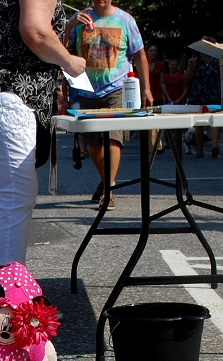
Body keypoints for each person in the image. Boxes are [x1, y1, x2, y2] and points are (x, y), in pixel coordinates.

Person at [0, 0, 86, 270]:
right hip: (10, 88)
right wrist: (70, 62)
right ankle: (9, 288)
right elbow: (36, 31)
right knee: (17, 191)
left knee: (3, 190)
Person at [65, 0, 151, 211]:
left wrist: (146, 88)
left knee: (112, 138)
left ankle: (109, 190)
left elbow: (140, 55)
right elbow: (63, 50)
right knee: (94, 145)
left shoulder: (125, 20)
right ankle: (106, 180)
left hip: (117, 89)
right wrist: (69, 26)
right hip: (87, 89)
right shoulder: (79, 19)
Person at [186, 38, 221, 159]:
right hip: (198, 94)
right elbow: (187, 79)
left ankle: (214, 147)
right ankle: (199, 149)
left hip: (213, 93)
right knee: (199, 123)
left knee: (214, 120)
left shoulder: (217, 60)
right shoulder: (196, 60)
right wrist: (190, 66)